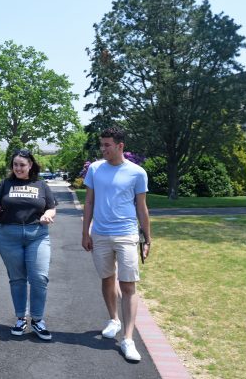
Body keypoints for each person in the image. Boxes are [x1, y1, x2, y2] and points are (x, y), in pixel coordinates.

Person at [82, 126, 151, 362]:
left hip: (127, 234)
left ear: (120, 146)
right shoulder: (94, 169)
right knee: (107, 278)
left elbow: (142, 207)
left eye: (107, 145)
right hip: (100, 234)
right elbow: (89, 202)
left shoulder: (137, 173)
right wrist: (85, 233)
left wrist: (147, 237)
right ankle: (113, 319)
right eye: (101, 145)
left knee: (129, 284)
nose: (103, 149)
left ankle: (128, 339)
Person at [0, 149, 57, 340]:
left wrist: (48, 215)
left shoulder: (41, 185)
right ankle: (20, 318)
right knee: (17, 278)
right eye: (15, 164)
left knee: (39, 277)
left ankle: (38, 320)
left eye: (22, 165)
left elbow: (51, 206)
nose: (18, 168)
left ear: (30, 165)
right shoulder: (5, 184)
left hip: (37, 235)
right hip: (9, 235)